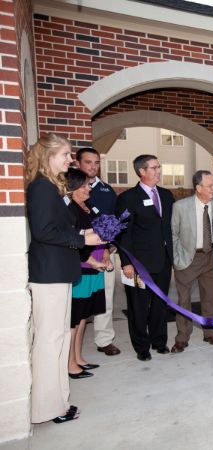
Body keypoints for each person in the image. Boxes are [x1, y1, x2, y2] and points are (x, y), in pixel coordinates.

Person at [25, 133, 104, 424]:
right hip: (49, 274)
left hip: (58, 271)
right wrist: (82, 239)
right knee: (49, 341)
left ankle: (58, 401)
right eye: (65, 155)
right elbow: (44, 231)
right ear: (48, 156)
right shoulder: (42, 188)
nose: (70, 160)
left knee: (57, 338)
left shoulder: (50, 186)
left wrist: (83, 235)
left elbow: (56, 229)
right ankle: (46, 408)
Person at [115, 154, 174, 361]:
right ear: (142, 171)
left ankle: (159, 341)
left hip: (164, 261)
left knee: (160, 304)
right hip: (139, 264)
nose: (159, 171)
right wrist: (126, 262)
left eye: (159, 166)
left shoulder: (167, 196)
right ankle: (142, 346)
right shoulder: (127, 198)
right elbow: (123, 234)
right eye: (154, 167)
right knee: (138, 307)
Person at [74, 147, 121, 356]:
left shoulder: (107, 190)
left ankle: (104, 340)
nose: (93, 167)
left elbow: (110, 223)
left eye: (96, 162)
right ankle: (73, 348)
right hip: (79, 254)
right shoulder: (68, 189)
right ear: (78, 163)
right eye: (88, 162)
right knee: (79, 303)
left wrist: (108, 250)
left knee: (106, 298)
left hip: (104, 253)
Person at [170, 170, 213, 353]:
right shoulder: (180, 207)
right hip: (188, 258)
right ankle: (182, 337)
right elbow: (173, 235)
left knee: (210, 298)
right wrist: (178, 257)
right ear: (198, 188)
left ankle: (210, 332)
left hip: (211, 257)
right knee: (183, 300)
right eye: (210, 186)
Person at [65, 168, 109, 378]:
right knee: (74, 319)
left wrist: (106, 253)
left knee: (83, 317)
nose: (88, 187)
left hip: (95, 267)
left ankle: (78, 357)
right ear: (72, 188)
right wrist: (92, 261)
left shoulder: (88, 207)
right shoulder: (70, 209)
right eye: (83, 185)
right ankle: (70, 364)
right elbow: (75, 241)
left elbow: (101, 231)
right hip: (82, 268)